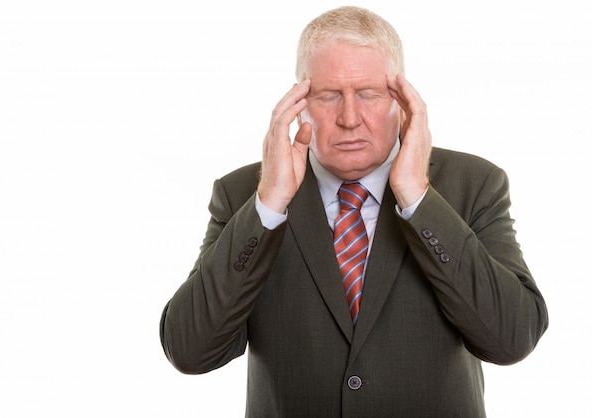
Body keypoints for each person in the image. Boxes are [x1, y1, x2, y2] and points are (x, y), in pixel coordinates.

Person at [160, 6, 548, 417]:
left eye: (368, 94)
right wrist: (268, 207)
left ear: (401, 101)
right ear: (299, 103)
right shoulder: (243, 194)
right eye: (328, 96)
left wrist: (418, 199)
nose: (349, 118)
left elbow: (511, 338)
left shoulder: (474, 184)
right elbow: (190, 351)